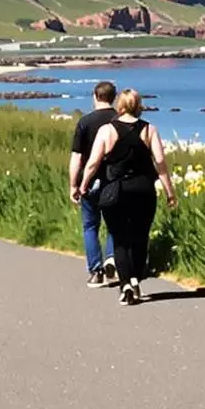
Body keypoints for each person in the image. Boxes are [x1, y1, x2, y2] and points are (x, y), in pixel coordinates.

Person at [78, 87, 178, 304]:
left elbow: (93, 162)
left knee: (120, 238)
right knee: (140, 236)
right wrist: (170, 192)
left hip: (115, 190)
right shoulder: (149, 130)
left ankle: (125, 286)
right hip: (143, 189)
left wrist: (83, 184)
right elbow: (160, 163)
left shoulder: (107, 130)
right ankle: (135, 279)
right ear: (139, 105)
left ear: (120, 105)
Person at [68, 81, 122, 287]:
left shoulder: (85, 122)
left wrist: (74, 184)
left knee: (90, 226)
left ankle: (96, 270)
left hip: (90, 181)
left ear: (95, 96)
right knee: (114, 224)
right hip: (114, 180)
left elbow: (76, 157)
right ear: (114, 98)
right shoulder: (120, 120)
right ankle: (111, 258)